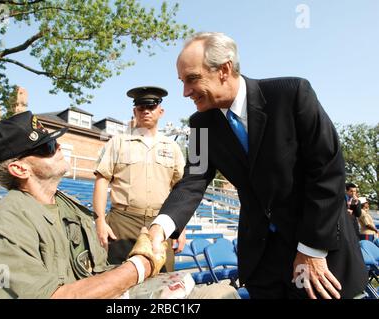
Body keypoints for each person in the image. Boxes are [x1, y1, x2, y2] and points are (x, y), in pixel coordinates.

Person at [148, 32, 368, 299]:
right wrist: (161, 226)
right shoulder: (201, 124)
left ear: (224, 70)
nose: (185, 92)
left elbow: (327, 172)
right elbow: (193, 180)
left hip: (320, 254)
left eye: (192, 79)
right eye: (182, 82)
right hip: (263, 265)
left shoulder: (292, 94)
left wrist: (311, 250)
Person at [0, 111, 168, 299]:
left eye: (54, 141)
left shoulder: (69, 206)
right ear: (20, 169)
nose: (59, 147)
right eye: (47, 147)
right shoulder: (5, 226)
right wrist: (139, 266)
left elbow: (91, 273)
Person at [93, 86, 186, 272]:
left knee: (163, 278)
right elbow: (102, 181)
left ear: (160, 111)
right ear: (134, 111)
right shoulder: (117, 142)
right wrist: (100, 221)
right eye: (141, 107)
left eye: (151, 107)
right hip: (123, 222)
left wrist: (180, 227)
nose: (146, 111)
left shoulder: (172, 147)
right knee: (119, 278)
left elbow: (180, 189)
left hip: (161, 223)